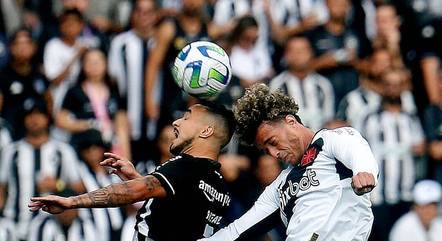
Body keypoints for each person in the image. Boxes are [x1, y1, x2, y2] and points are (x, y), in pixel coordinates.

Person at [29, 102, 236, 241]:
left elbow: (133, 193)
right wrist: (138, 178)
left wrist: (71, 202)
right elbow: (179, 208)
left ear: (206, 131)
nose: (176, 122)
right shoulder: (218, 183)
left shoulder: (186, 166)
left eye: (186, 118)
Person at [200, 84, 379, 241]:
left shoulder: (329, 142)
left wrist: (364, 171)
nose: (273, 153)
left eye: (272, 142)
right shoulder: (280, 186)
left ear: (290, 121)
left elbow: (355, 147)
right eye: (265, 150)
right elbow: (237, 231)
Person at [0, 98, 84, 240]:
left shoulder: (63, 151)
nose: (34, 119)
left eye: (39, 114)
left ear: (47, 118)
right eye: (29, 115)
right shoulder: (11, 151)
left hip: (50, 228)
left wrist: (58, 184)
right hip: (13, 225)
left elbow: (79, 189)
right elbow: (2, 187)